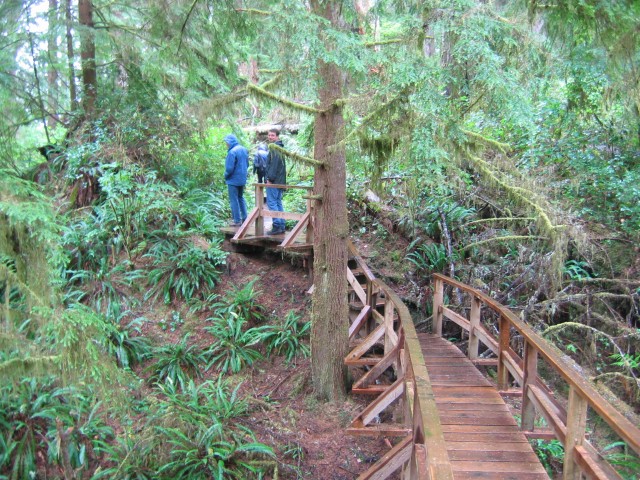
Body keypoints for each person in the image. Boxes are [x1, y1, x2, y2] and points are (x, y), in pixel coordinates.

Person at [223, 134, 249, 227]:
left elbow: (229, 168)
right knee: (240, 197)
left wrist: (225, 176)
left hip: (233, 180)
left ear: (230, 142)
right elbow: (247, 164)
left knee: (234, 200)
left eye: (226, 142)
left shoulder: (232, 152)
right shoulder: (243, 149)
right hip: (242, 178)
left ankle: (237, 220)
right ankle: (245, 217)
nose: (226, 144)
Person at [265, 128, 286, 235]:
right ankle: (281, 225)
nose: (270, 137)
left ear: (277, 136)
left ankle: (277, 226)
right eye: (269, 135)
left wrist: (270, 179)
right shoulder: (278, 147)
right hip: (280, 181)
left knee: (272, 203)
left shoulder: (275, 148)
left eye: (272, 135)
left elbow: (274, 165)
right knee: (277, 202)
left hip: (274, 181)